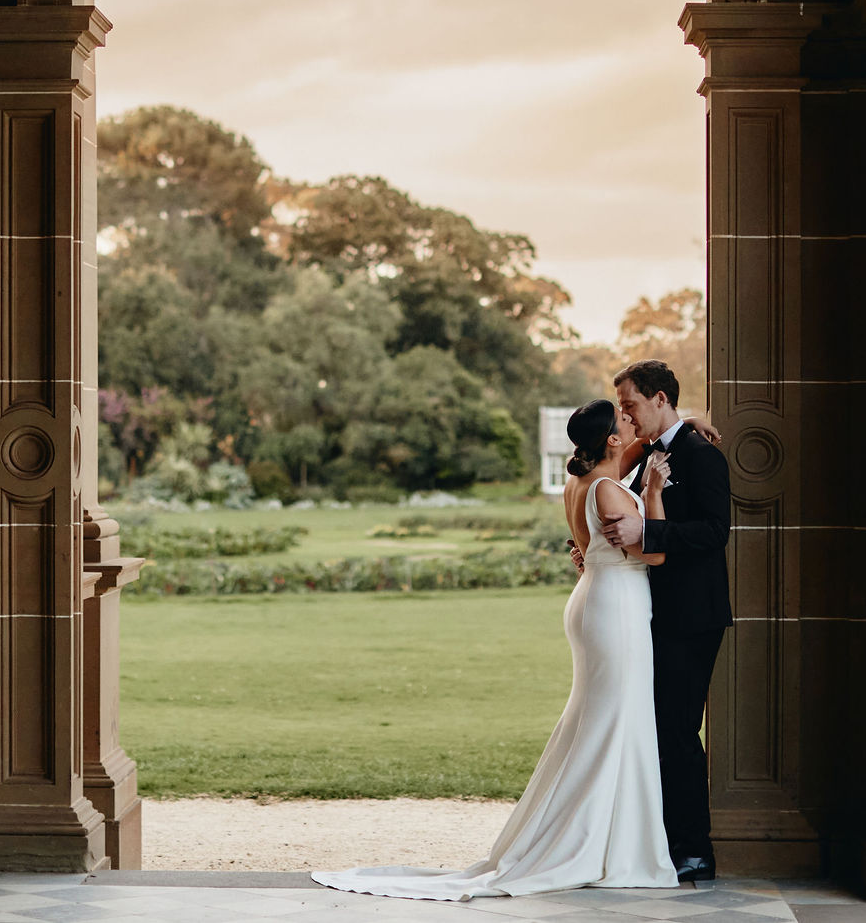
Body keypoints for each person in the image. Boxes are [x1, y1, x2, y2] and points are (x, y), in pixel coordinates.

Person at [311, 398, 677, 900]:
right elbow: (654, 551)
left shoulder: (582, 483)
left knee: (602, 720)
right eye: (623, 421)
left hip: (600, 600)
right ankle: (596, 844)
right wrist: (654, 490)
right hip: (615, 608)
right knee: (615, 720)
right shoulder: (611, 491)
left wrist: (684, 423)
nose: (631, 423)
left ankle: (602, 836)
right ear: (611, 439)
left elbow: (627, 465)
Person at [599, 359, 734, 883]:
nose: (626, 415)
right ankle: (657, 840)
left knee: (676, 730)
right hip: (647, 613)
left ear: (660, 399)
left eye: (631, 404)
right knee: (651, 727)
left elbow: (713, 532)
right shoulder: (646, 456)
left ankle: (694, 849)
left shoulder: (701, 456)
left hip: (690, 616)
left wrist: (646, 533)